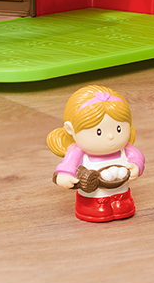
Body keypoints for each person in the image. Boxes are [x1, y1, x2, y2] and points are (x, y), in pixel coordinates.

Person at [47, 86, 144, 222]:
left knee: (123, 205)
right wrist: (64, 177)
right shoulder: (77, 151)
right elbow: (67, 166)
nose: (110, 136)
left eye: (118, 129)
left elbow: (137, 157)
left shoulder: (125, 149)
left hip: (122, 193)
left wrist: (136, 167)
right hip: (93, 198)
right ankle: (96, 206)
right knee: (98, 207)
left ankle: (120, 203)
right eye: (99, 132)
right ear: (71, 129)